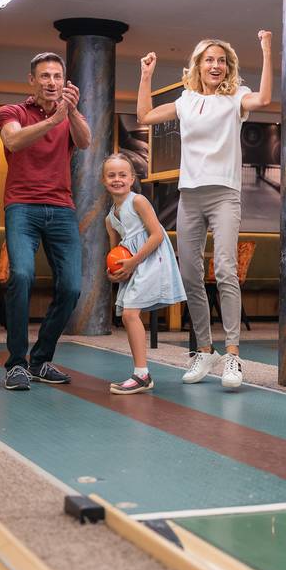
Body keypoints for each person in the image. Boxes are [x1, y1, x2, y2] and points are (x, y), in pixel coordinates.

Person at [136, 31, 273, 389]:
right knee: (190, 274)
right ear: (198, 65)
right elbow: (144, 115)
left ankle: (233, 355)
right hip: (190, 195)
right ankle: (205, 350)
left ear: (228, 67)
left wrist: (266, 50)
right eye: (209, 60)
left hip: (224, 194)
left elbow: (264, 98)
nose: (216, 65)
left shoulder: (236, 97)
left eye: (221, 61)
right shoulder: (186, 100)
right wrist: (146, 76)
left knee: (226, 270)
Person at [0, 52, 91, 392]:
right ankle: (16, 364)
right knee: (21, 275)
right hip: (22, 206)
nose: (51, 82)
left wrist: (72, 112)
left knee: (71, 287)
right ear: (32, 80)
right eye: (45, 76)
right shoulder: (12, 112)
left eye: (57, 76)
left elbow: (85, 141)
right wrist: (53, 121)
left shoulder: (69, 114)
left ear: (64, 82)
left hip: (62, 208)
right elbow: (13, 140)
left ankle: (39, 361)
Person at [103, 153, 186, 394]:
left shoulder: (138, 201)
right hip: (133, 265)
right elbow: (114, 252)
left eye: (122, 175)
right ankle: (141, 373)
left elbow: (157, 235)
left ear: (132, 179)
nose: (117, 179)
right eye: (111, 175)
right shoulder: (109, 218)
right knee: (129, 316)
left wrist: (133, 262)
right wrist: (113, 273)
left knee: (130, 314)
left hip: (151, 260)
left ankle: (142, 375)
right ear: (103, 180)